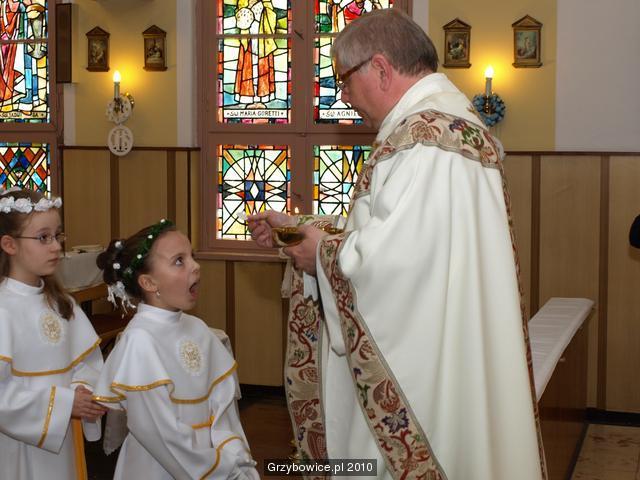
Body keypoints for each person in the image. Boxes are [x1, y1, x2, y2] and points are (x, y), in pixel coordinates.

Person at [248, 9, 547, 480]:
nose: (345, 97)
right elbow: (396, 237)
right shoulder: (445, 127)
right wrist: (302, 227)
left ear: (381, 69)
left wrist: (319, 254)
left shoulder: (423, 142)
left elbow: (393, 267)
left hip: (423, 376)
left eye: (344, 80)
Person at [92, 219, 259, 480]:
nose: (196, 266)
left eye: (192, 256)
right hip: (158, 467)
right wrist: (219, 467)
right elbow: (158, 433)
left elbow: (223, 409)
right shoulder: (140, 341)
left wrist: (234, 454)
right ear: (149, 283)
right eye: (179, 261)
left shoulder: (198, 329)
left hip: (216, 460)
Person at [0, 188, 106, 480]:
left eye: (58, 235)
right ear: (9, 244)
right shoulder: (3, 308)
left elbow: (86, 362)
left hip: (63, 438)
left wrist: (83, 389)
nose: (56, 246)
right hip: (15, 447)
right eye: (43, 237)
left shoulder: (62, 303)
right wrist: (64, 404)